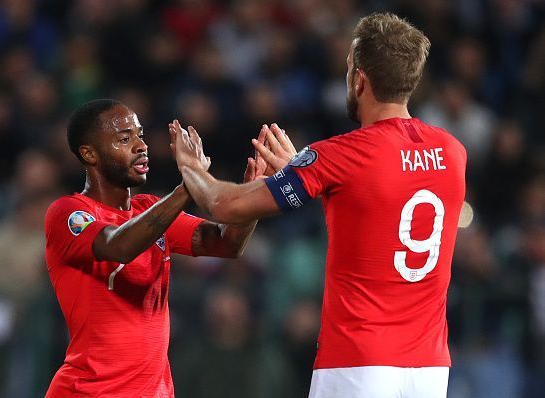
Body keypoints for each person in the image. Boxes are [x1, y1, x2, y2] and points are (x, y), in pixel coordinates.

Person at [170, 13, 467, 398]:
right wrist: (305, 175)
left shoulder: (342, 156)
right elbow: (379, 204)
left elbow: (223, 206)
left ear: (359, 79)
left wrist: (192, 168)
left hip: (358, 363)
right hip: (428, 369)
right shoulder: (452, 152)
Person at [44, 99, 260, 397]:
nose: (140, 145)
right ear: (89, 153)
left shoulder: (150, 209)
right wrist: (188, 186)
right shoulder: (69, 213)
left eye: (140, 134)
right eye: (124, 138)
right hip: (90, 392)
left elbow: (226, 243)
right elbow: (119, 245)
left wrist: (254, 195)